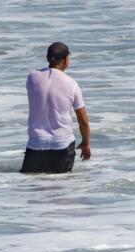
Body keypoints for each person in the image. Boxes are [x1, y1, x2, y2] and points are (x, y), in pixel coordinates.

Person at [20, 42, 91, 174]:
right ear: (65, 59)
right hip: (62, 145)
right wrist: (86, 143)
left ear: (48, 58)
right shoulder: (71, 84)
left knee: (33, 187)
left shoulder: (32, 78)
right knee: (61, 189)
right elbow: (83, 120)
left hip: (36, 145)